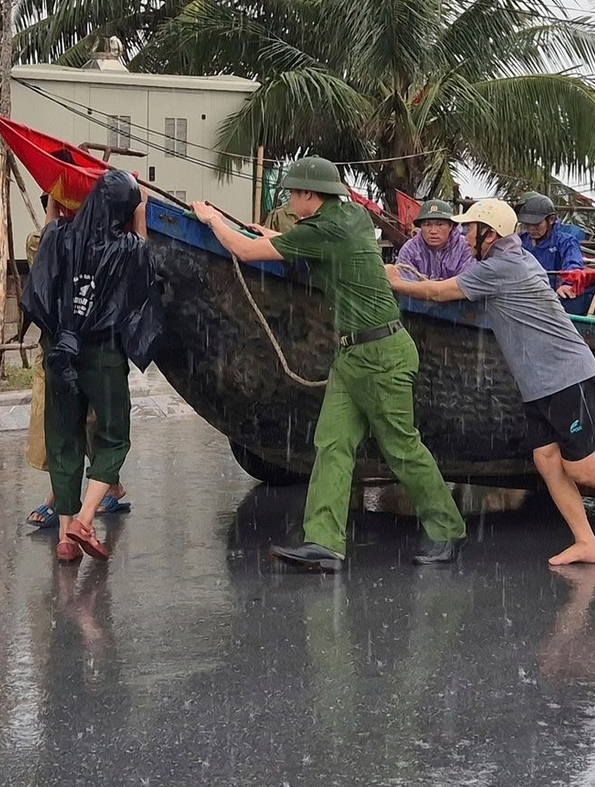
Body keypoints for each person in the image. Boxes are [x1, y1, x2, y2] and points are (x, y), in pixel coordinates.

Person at [190, 157, 467, 571]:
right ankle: (324, 543)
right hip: (352, 355)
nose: (288, 200)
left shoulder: (325, 229)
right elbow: (288, 242)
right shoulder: (349, 217)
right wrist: (263, 233)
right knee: (332, 444)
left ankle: (446, 529)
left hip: (381, 356)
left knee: (401, 447)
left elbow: (247, 252)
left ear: (309, 196)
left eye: (291, 194)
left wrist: (211, 219)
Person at [386, 199, 595, 566]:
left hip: (566, 376)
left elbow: (437, 293)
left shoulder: (501, 266)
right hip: (539, 384)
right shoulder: (511, 259)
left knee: (580, 468)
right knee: (546, 461)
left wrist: (396, 282)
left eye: (469, 229)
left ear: (490, 234)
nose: (464, 236)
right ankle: (586, 542)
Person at [20, 170, 163, 563]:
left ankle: (66, 538)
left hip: (59, 353)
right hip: (102, 355)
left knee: (63, 438)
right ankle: (85, 518)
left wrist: (55, 196)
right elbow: (142, 262)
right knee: (114, 435)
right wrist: (141, 211)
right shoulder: (127, 248)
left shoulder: (59, 237)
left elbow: (47, 237)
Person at [25, 193, 132, 527]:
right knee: (61, 433)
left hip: (88, 354)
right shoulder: (49, 241)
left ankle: (81, 504)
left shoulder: (106, 244)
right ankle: (69, 504)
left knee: (87, 428)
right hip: (62, 356)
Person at [518, 192, 585, 298]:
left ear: (551, 220)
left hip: (554, 298)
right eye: (527, 224)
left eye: (536, 224)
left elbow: (573, 266)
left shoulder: (566, 242)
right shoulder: (519, 241)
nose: (531, 229)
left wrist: (567, 285)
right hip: (524, 297)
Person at [394, 198, 474, 280]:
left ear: (450, 226)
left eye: (440, 224)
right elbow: (405, 283)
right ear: (420, 226)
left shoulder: (465, 247)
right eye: (427, 225)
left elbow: (467, 283)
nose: (433, 231)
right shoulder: (410, 249)